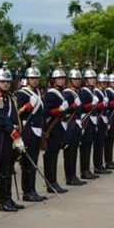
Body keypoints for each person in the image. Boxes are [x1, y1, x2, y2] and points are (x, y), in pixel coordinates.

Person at [0, 62, 26, 212]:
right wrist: (15, 134)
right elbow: (1, 118)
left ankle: (8, 198)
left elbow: (15, 117)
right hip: (1, 137)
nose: (5, 84)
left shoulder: (11, 98)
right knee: (2, 170)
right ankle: (3, 201)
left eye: (7, 82)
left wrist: (18, 133)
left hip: (11, 137)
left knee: (9, 168)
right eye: (2, 81)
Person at [16, 60, 47, 202]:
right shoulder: (22, 93)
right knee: (27, 163)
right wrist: (28, 106)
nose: (34, 81)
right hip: (27, 130)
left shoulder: (38, 93)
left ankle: (32, 189)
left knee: (34, 161)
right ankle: (27, 191)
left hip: (37, 130)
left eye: (36, 78)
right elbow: (17, 113)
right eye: (32, 78)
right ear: (27, 79)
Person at [41, 62, 70, 193]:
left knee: (55, 154)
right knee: (50, 155)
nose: (61, 80)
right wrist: (59, 110)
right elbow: (46, 111)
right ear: (53, 80)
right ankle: (50, 182)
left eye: (63, 78)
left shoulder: (61, 92)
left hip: (59, 127)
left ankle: (54, 181)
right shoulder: (52, 93)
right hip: (52, 128)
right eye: (59, 78)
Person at [62, 63, 86, 187]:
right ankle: (69, 176)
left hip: (76, 123)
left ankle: (73, 175)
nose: (77, 81)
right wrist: (73, 107)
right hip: (70, 124)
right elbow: (64, 110)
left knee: (74, 151)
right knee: (70, 151)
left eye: (78, 79)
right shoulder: (67, 93)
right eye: (75, 79)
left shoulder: (76, 92)